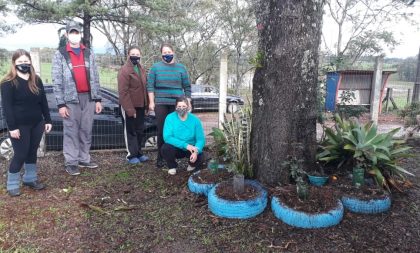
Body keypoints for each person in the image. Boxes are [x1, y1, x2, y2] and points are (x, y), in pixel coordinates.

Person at [52, 20, 102, 176]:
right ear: (67, 35)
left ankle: (84, 158)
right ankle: (71, 161)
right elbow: (56, 80)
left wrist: (98, 99)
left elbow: (95, 76)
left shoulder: (89, 52)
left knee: (86, 129)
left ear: (80, 34)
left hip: (88, 98)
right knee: (71, 131)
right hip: (70, 100)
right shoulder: (60, 54)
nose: (75, 35)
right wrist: (61, 104)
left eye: (77, 32)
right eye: (72, 32)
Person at [0, 49, 52, 197]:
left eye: (26, 61)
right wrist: (12, 127)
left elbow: (43, 102)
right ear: (14, 63)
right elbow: (7, 108)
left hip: (37, 123)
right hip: (19, 125)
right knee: (20, 154)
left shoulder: (36, 80)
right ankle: (12, 184)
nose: (24, 64)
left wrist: (47, 120)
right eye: (20, 62)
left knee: (31, 152)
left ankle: (30, 178)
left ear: (30, 62)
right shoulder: (8, 83)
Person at [147, 43, 192, 168]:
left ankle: (173, 157)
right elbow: (150, 86)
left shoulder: (181, 68)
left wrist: (188, 102)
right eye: (164, 52)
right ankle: (160, 158)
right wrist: (151, 102)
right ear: (161, 54)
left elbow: (187, 87)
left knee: (176, 130)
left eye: (169, 52)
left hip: (178, 104)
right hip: (161, 103)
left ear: (173, 52)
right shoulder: (155, 68)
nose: (167, 54)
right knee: (162, 131)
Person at [117, 46, 149, 164]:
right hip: (129, 106)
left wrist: (146, 105)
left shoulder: (141, 69)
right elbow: (123, 92)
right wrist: (130, 110)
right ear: (128, 55)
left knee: (140, 130)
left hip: (141, 105)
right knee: (131, 131)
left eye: (137, 54)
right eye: (133, 54)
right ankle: (131, 155)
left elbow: (144, 88)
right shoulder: (124, 70)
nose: (135, 56)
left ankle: (139, 153)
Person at [161, 96, 205, 175]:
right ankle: (172, 166)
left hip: (191, 148)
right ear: (175, 107)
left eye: (184, 106)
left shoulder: (195, 120)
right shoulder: (170, 118)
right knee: (165, 148)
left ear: (188, 107)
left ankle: (192, 164)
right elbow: (167, 137)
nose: (181, 108)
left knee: (201, 155)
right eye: (179, 106)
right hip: (176, 147)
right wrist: (186, 145)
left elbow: (200, 139)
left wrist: (196, 152)